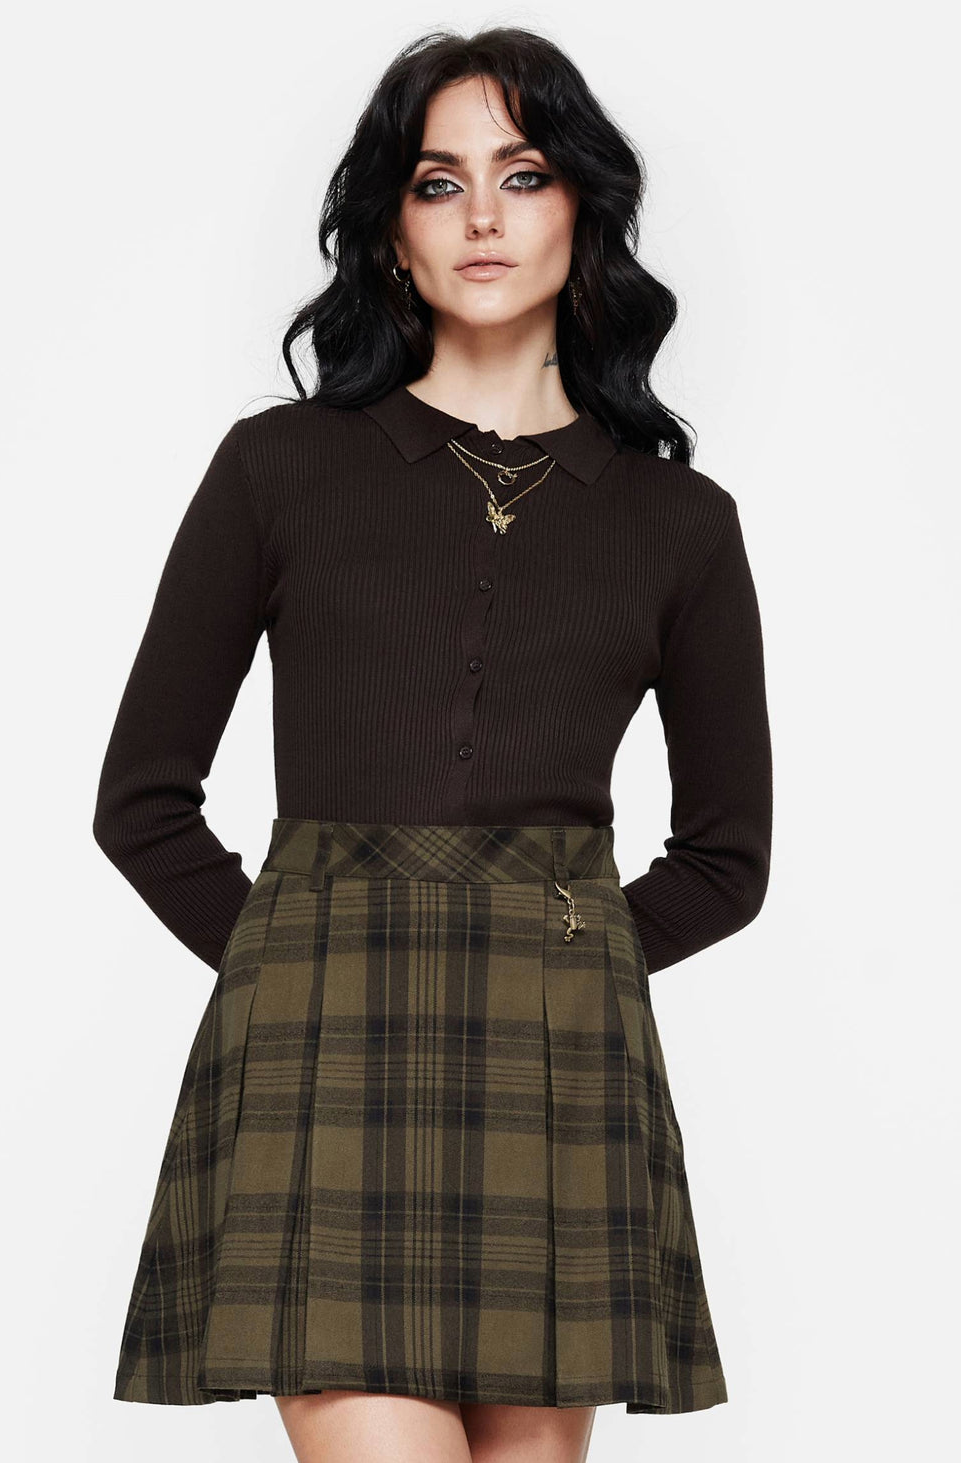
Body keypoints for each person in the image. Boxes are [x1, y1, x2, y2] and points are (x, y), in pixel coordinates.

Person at [93, 24, 772, 1463]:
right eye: (437, 181)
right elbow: (142, 804)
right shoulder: (278, 468)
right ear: (391, 229)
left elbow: (727, 860)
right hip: (323, 1060)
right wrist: (295, 966)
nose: (480, 218)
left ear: (582, 209)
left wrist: (566, 957)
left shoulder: (679, 523)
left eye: (522, 176)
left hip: (557, 1073)